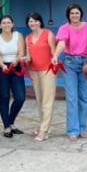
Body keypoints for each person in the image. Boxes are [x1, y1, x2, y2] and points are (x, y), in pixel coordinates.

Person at [53, 3, 87, 142]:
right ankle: (73, 130)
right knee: (72, 98)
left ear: (81, 14)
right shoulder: (64, 28)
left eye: (77, 13)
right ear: (68, 15)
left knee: (85, 97)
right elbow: (61, 43)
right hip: (69, 64)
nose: (75, 15)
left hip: (85, 64)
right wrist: (55, 55)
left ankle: (82, 128)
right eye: (72, 13)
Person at [0, 15, 26, 138]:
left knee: (20, 97)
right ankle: (6, 126)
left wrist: (17, 61)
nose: (6, 25)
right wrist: (2, 65)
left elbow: (22, 52)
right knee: (4, 96)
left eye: (9, 22)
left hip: (16, 66)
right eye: (4, 23)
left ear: (12, 24)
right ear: (0, 25)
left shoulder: (18, 35)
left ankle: (11, 121)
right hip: (1, 68)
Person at [25, 12, 57, 142]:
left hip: (48, 70)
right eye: (30, 21)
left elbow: (54, 53)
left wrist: (55, 62)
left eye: (35, 21)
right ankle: (44, 127)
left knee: (47, 101)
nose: (33, 23)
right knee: (39, 100)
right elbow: (29, 57)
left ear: (40, 22)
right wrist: (25, 59)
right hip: (34, 71)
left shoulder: (48, 34)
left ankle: (43, 131)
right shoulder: (28, 38)